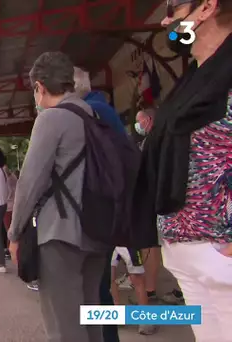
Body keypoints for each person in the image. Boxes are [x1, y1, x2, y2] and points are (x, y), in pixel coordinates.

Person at [134, 0, 232, 340]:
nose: (165, 21)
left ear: (206, 7)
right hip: (185, 249)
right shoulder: (193, 77)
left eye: (174, 10)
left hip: (221, 253)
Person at [8, 51, 107, 342]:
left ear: (39, 87)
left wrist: (15, 233)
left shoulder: (51, 119)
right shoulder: (94, 115)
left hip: (61, 235)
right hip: (97, 232)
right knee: (91, 322)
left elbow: (30, 182)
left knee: (64, 328)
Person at [73, 66, 127, 342]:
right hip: (108, 209)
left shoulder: (86, 113)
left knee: (92, 288)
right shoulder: (103, 110)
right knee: (100, 286)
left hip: (93, 212)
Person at [135, 108, 186, 305]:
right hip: (165, 203)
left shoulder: (156, 141)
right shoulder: (167, 138)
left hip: (158, 204)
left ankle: (152, 291)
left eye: (140, 122)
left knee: (157, 246)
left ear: (148, 120)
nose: (138, 126)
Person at [109, 247, 156, 335]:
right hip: (128, 241)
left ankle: (117, 314)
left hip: (109, 239)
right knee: (138, 280)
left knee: (111, 276)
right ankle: (145, 321)